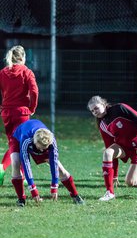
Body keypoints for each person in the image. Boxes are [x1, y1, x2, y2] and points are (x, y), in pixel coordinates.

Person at [87, 95, 137, 201]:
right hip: (123, 147)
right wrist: (115, 174)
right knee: (107, 152)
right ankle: (109, 193)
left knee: (130, 182)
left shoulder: (120, 108)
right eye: (92, 111)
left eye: (96, 108)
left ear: (103, 104)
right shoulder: (102, 125)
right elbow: (110, 149)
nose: (95, 112)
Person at [10, 119, 85, 206]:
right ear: (35, 142)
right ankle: (21, 199)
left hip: (38, 143)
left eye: (45, 148)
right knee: (15, 163)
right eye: (41, 148)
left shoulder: (51, 140)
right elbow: (26, 164)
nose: (42, 150)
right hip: (17, 139)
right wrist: (33, 189)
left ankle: (75, 195)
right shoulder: (26, 139)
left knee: (60, 169)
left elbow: (54, 163)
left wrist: (54, 186)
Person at [0, 45, 39, 185]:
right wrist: (32, 107)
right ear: (22, 57)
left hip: (6, 112)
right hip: (21, 112)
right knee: (22, 144)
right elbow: (34, 91)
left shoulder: (3, 72)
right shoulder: (26, 72)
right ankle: (22, 175)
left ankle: (2, 167)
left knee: (13, 141)